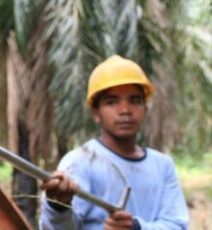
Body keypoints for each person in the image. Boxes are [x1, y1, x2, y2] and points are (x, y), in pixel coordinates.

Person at [39, 55, 189, 230]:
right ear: (96, 112)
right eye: (112, 102)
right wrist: (59, 207)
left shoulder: (163, 166)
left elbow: (177, 225)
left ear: (145, 109)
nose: (125, 110)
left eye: (135, 101)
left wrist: (135, 227)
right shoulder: (79, 163)